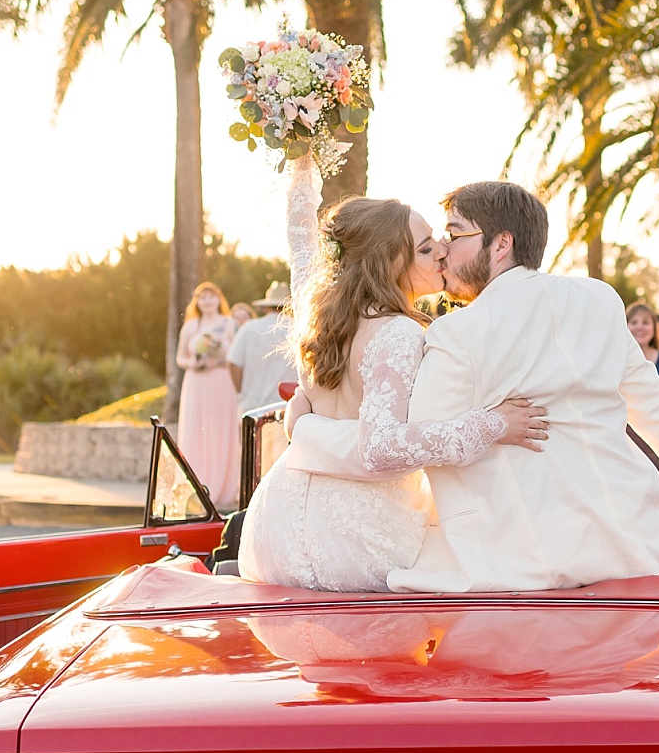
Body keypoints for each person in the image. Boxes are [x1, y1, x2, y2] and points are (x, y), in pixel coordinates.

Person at [283, 179, 659, 593]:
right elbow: (656, 402)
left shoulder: (456, 334)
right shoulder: (598, 299)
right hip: (634, 543)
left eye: (456, 233)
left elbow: (398, 446)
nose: (444, 250)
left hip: (516, 563)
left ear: (500, 244)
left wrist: (306, 428)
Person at [239, 161, 549, 590]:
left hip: (273, 529)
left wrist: (303, 163)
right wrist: (493, 424)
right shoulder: (399, 332)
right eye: (425, 249)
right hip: (355, 536)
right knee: (494, 568)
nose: (441, 250)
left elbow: (301, 247)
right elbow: (381, 448)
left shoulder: (317, 315)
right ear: (390, 263)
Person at [174, 281, 244, 507]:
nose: (207, 301)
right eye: (202, 297)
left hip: (222, 381)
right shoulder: (191, 327)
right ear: (197, 302)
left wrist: (219, 355)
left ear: (218, 299)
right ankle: (196, 485)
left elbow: (236, 354)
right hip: (197, 382)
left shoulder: (230, 324)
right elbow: (180, 358)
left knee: (221, 429)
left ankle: (224, 487)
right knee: (197, 428)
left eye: (210, 296)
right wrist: (193, 363)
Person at [227, 281, 296, 415]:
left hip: (254, 404)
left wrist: (240, 392)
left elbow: (233, 362)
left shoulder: (249, 328)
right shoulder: (299, 328)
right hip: (288, 404)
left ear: (266, 307)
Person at [627, 302, 659, 380]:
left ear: (654, 328)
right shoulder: (618, 360)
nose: (639, 327)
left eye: (645, 323)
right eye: (634, 322)